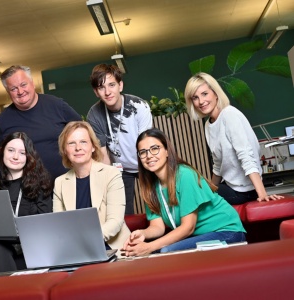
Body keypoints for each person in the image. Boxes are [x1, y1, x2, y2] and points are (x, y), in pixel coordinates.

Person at [122, 128, 246, 256]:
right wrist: (143, 233)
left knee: (166, 251)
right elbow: (158, 227)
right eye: (143, 152)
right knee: (159, 252)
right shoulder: (151, 187)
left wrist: (149, 246)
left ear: (166, 151)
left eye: (155, 148)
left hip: (226, 231)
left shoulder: (185, 175)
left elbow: (188, 227)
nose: (148, 156)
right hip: (198, 236)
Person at [184, 72, 283, 205]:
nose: (201, 101)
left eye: (205, 94)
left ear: (215, 93)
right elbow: (218, 164)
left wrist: (262, 194)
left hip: (244, 191)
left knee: (194, 193)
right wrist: (211, 189)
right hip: (230, 187)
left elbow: (246, 156)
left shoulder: (229, 115)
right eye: (195, 97)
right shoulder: (209, 124)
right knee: (196, 190)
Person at [0, 65, 82, 180]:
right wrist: (0, 178)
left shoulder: (57, 105)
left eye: (23, 85)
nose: (20, 91)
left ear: (32, 83)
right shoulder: (2, 120)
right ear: (8, 92)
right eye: (13, 89)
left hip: (66, 183)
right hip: (28, 190)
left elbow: (83, 130)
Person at [53, 121, 130, 251]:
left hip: (110, 248)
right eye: (71, 143)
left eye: (83, 142)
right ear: (65, 150)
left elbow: (115, 221)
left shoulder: (111, 174)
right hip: (76, 251)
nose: (78, 148)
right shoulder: (60, 182)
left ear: (93, 147)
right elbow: (59, 226)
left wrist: (85, 242)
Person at [87, 64, 153, 215]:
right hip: (120, 168)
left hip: (145, 162)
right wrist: (110, 181)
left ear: (120, 85)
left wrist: (150, 172)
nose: (108, 92)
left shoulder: (139, 106)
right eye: (101, 87)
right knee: (121, 210)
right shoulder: (94, 114)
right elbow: (103, 154)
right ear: (96, 92)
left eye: (112, 85)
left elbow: (147, 144)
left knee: (154, 202)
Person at [0, 132, 53, 273]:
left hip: (31, 251)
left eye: (22, 153)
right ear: (2, 152)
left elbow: (47, 228)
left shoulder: (40, 188)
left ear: (29, 158)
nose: (15, 156)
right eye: (11, 150)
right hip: (2, 251)